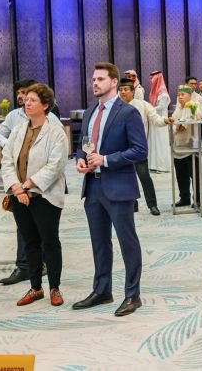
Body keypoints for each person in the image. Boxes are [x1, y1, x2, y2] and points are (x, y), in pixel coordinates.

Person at [73, 62, 148, 317]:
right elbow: (82, 145)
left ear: (114, 82)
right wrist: (80, 160)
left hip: (118, 187)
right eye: (94, 79)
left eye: (101, 79)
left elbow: (140, 150)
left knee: (127, 241)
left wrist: (105, 160)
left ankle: (132, 294)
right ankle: (102, 290)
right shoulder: (90, 112)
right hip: (93, 186)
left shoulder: (128, 112)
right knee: (99, 242)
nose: (95, 83)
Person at [1, 84, 69, 307]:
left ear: (45, 105)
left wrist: (28, 184)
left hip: (45, 195)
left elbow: (56, 165)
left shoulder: (56, 132)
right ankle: (36, 288)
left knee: (49, 242)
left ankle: (54, 288)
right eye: (25, 99)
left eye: (32, 100)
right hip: (19, 195)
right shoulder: (19, 129)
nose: (26, 103)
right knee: (29, 242)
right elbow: (7, 159)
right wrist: (17, 187)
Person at [118, 78, 171, 216]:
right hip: (121, 148)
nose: (122, 92)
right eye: (121, 90)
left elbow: (155, 119)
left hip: (138, 147)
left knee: (144, 176)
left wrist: (165, 120)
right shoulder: (115, 106)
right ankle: (132, 204)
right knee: (126, 177)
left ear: (132, 91)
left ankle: (152, 205)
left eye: (125, 90)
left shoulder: (142, 105)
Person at [170, 85, 202, 207]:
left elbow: (198, 116)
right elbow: (175, 122)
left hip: (191, 145)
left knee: (195, 175)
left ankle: (198, 199)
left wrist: (181, 125)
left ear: (189, 95)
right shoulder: (178, 107)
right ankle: (184, 198)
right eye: (178, 95)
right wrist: (175, 126)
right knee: (181, 174)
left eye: (182, 95)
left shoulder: (194, 105)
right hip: (178, 145)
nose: (180, 97)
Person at [147, 72, 172, 173]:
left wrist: (149, 109)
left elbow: (161, 107)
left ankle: (162, 167)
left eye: (153, 78)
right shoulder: (155, 91)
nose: (151, 80)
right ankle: (154, 165)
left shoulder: (163, 93)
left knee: (161, 144)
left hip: (162, 121)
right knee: (154, 143)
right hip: (154, 120)